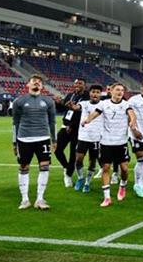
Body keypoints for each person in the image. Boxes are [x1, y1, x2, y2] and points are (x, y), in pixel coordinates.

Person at [81, 83, 142, 207]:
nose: (120, 92)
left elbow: (132, 114)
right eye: (117, 90)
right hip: (106, 142)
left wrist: (133, 123)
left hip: (121, 142)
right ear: (111, 91)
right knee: (106, 168)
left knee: (124, 169)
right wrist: (88, 119)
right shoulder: (104, 104)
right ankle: (107, 197)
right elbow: (95, 113)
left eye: (122, 90)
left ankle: (123, 186)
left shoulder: (126, 104)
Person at [12, 75, 57, 210]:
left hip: (43, 138)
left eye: (39, 82)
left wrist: (54, 139)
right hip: (24, 138)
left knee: (44, 167)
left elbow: (52, 122)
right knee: (24, 167)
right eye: (34, 81)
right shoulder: (19, 101)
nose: (37, 83)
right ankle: (25, 199)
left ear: (42, 87)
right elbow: (15, 122)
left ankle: (40, 198)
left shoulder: (48, 101)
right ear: (28, 85)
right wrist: (14, 142)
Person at [55, 78, 87, 188]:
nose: (77, 85)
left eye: (80, 83)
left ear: (85, 85)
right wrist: (58, 103)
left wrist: (72, 125)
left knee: (73, 154)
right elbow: (62, 109)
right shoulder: (70, 95)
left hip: (78, 129)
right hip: (65, 127)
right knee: (57, 149)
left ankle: (68, 176)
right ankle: (66, 167)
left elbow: (82, 113)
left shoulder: (87, 97)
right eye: (76, 83)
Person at [74, 84, 103, 193]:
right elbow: (77, 107)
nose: (95, 94)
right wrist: (73, 106)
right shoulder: (84, 103)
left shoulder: (103, 105)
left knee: (92, 161)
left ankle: (87, 183)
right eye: (93, 92)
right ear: (89, 93)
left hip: (96, 138)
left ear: (100, 94)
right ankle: (80, 178)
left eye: (97, 92)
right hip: (83, 137)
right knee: (78, 159)